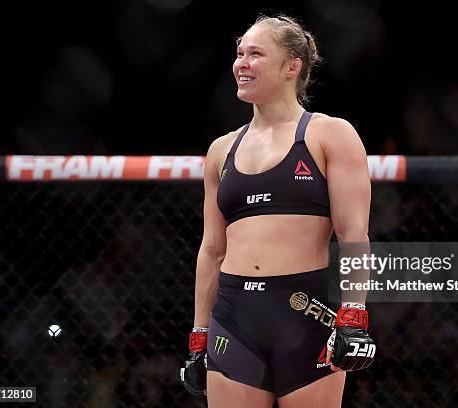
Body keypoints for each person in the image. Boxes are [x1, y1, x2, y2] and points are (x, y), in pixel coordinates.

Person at [180, 14, 375, 408]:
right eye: (239, 54)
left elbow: (352, 234)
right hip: (234, 316)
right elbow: (212, 249)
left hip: (306, 312)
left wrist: (354, 314)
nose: (242, 63)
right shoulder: (221, 150)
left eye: (255, 53)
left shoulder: (329, 134)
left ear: (292, 65)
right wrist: (199, 336)